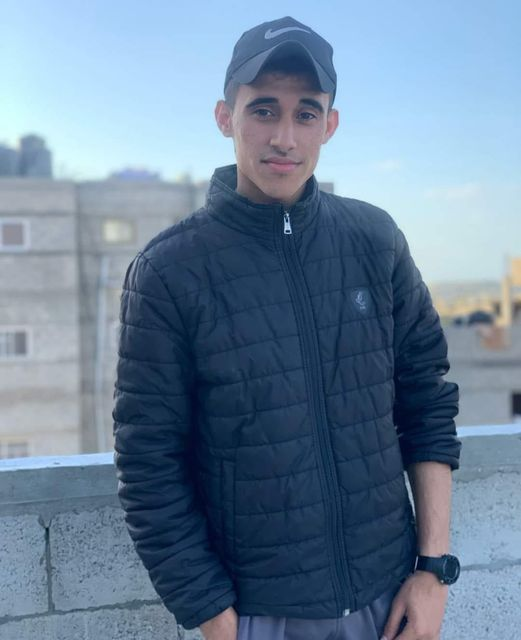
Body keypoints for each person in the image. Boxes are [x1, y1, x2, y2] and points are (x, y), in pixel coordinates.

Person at [113, 16, 461, 640]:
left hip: (390, 598)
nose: (284, 137)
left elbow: (426, 400)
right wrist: (213, 615)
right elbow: (148, 462)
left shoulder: (374, 239)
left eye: (306, 113)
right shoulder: (169, 271)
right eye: (263, 109)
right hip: (257, 612)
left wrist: (433, 570)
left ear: (330, 125)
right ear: (225, 117)